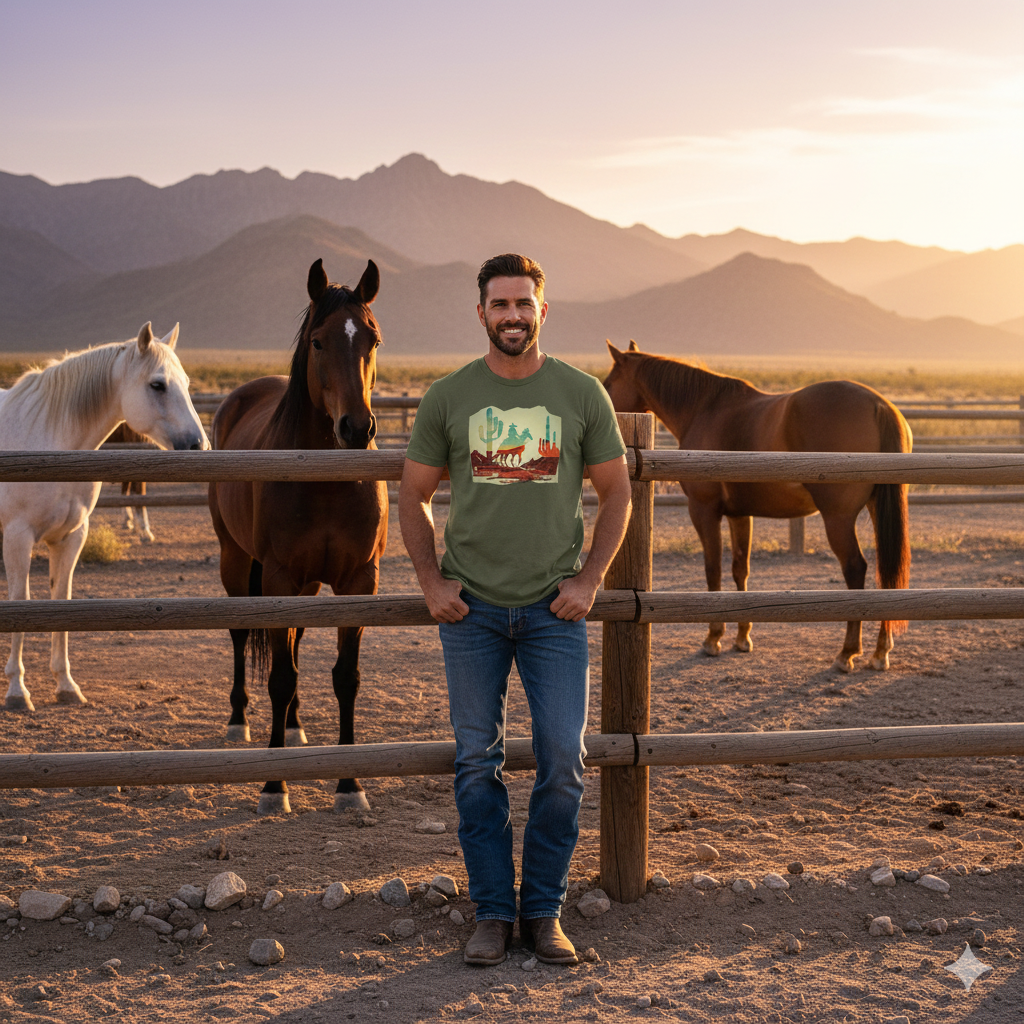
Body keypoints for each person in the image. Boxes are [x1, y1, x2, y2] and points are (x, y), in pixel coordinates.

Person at [399, 253, 632, 966]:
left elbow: (617, 494)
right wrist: (433, 583)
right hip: (470, 613)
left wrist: (590, 580)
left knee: (564, 759)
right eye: (499, 304)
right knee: (477, 764)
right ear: (481, 314)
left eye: (523, 304)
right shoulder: (448, 397)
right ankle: (494, 914)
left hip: (553, 612)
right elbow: (410, 497)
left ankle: (545, 912)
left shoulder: (581, 393)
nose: (512, 316)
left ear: (542, 311)